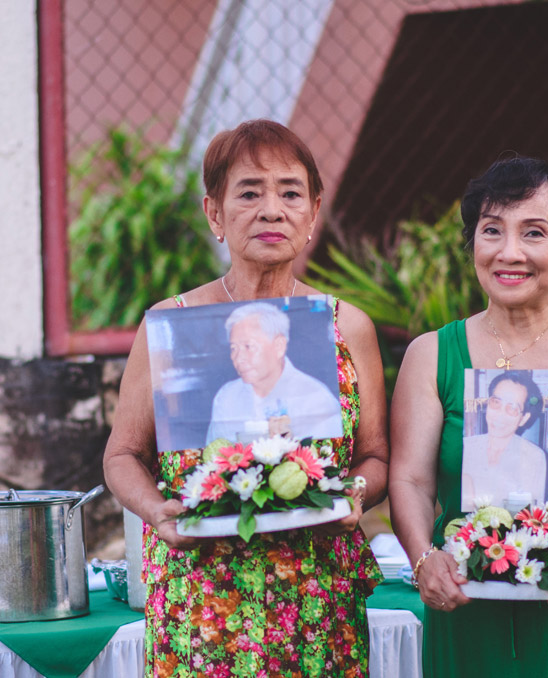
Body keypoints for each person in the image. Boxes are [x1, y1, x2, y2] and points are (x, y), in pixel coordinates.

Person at [103, 119, 389, 678]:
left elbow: (375, 457)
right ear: (215, 213)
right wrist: (157, 511)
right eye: (249, 192)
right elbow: (122, 456)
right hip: (203, 602)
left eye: (289, 193)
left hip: (316, 599)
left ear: (312, 212)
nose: (271, 209)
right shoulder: (171, 324)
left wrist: (354, 493)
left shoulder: (345, 327)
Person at [389, 156, 548, 676]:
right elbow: (410, 477)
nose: (509, 252)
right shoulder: (431, 354)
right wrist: (423, 558)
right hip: (467, 599)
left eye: (533, 233)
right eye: (491, 231)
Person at [206, 301, 342, 445]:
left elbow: (327, 460)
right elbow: (213, 457)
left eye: (248, 346)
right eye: (233, 348)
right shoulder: (227, 397)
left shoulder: (315, 399)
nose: (239, 358)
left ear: (279, 346)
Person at [460, 370, 547, 510]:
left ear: (523, 418)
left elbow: (528, 516)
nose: (500, 415)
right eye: (496, 402)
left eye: (512, 408)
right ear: (488, 404)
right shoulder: (464, 448)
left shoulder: (534, 457)